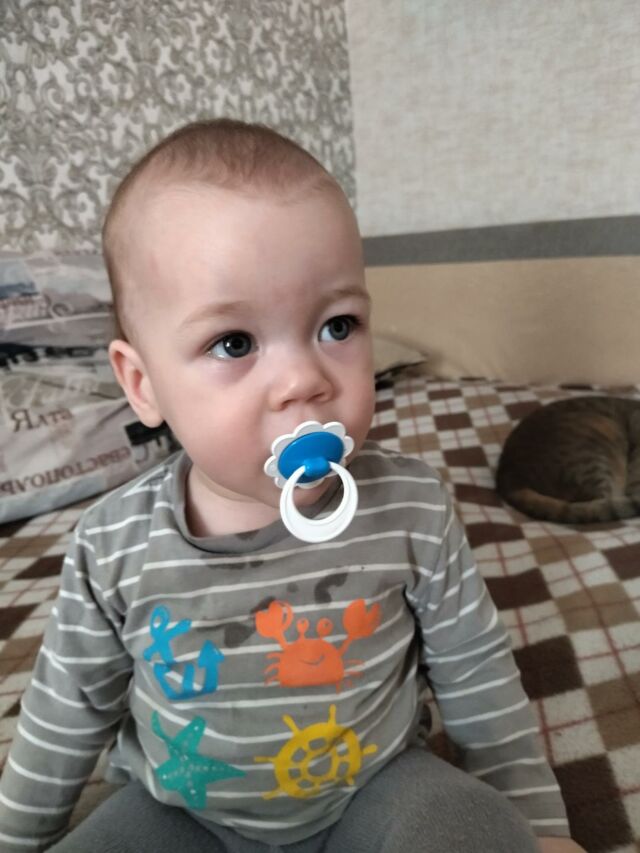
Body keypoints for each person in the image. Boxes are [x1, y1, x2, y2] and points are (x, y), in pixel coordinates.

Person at [0, 120, 585, 853]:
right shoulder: (111, 545)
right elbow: (64, 711)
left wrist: (539, 825)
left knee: (473, 828)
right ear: (143, 384)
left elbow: (478, 675)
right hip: (182, 815)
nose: (305, 379)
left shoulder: (413, 508)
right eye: (234, 343)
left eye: (337, 325)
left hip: (376, 792)